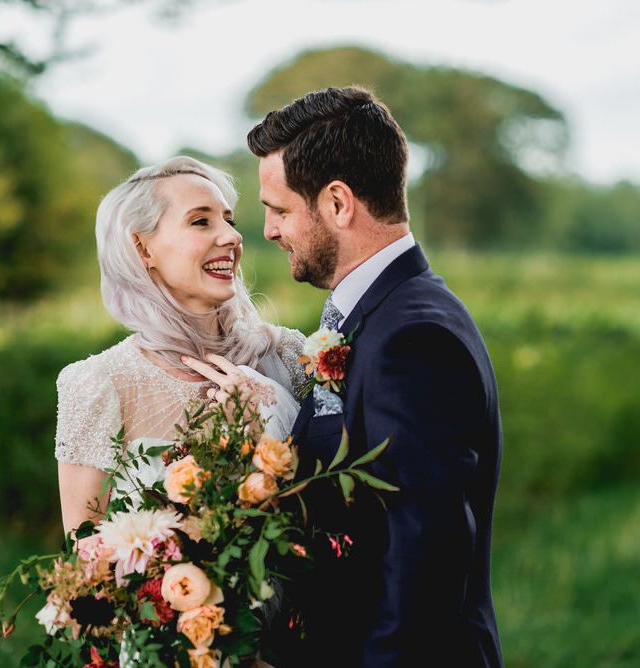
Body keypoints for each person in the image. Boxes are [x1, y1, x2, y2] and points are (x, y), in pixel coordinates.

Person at [246, 87, 503, 667]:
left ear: (338, 203)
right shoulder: (379, 316)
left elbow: (423, 566)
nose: (267, 230)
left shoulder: (414, 339)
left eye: (280, 208)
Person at [54, 156, 305, 537]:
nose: (232, 237)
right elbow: (89, 562)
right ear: (142, 249)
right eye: (201, 221)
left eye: (229, 219)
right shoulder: (98, 385)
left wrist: (268, 424)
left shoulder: (289, 355)